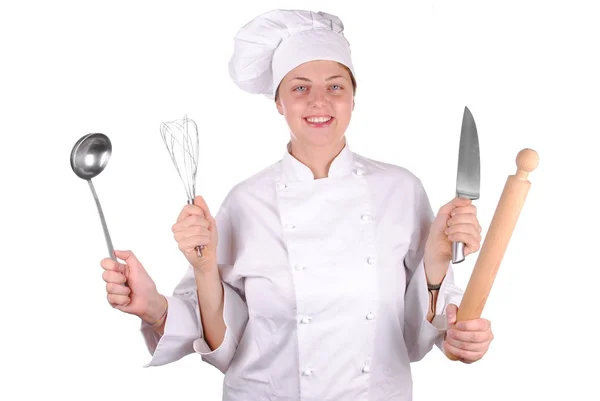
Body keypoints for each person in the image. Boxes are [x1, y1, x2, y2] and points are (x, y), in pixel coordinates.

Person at [100, 9, 494, 401]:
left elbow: (418, 330)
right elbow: (220, 335)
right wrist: (153, 306)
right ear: (278, 103)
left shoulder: (401, 189)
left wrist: (451, 303)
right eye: (300, 88)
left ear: (354, 98)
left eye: (336, 87)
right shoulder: (246, 200)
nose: (319, 101)